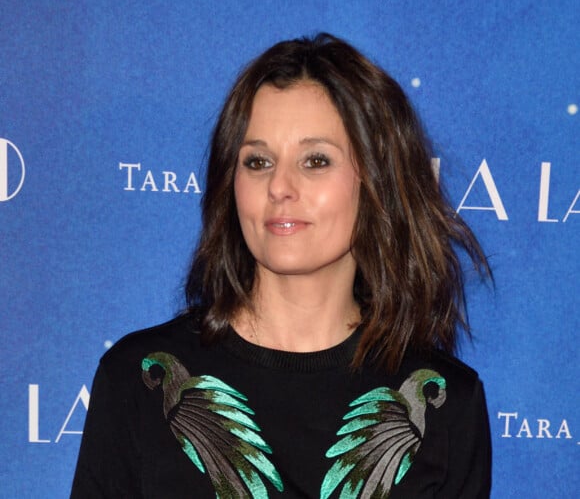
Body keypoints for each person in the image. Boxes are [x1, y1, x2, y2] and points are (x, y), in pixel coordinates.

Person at [71, 33, 492, 498]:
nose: (279, 186)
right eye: (257, 161)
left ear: (376, 181)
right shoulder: (139, 381)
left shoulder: (447, 404)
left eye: (315, 160)